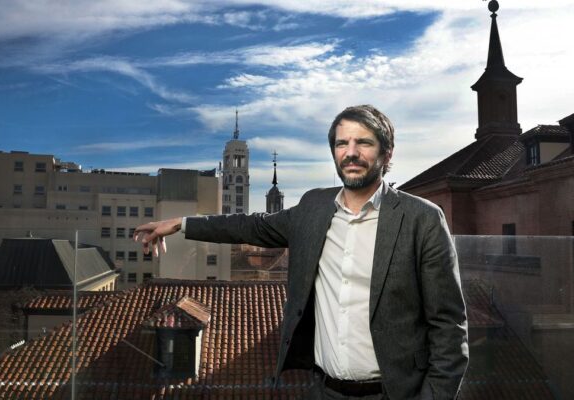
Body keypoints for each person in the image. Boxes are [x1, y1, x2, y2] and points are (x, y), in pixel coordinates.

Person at [134, 105, 468, 400]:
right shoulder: (313, 207)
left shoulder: (421, 218)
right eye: (342, 143)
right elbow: (250, 226)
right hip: (323, 391)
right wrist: (181, 223)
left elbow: (449, 326)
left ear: (387, 153)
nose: (351, 153)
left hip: (394, 393)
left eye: (364, 143)